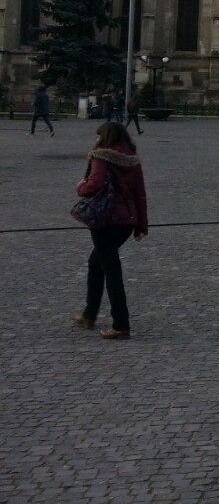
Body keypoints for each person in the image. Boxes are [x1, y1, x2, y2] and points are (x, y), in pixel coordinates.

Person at [73, 122, 148, 340]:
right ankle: (89, 314)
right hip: (126, 223)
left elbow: (94, 185)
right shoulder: (132, 158)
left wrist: (80, 186)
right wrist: (141, 226)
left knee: (111, 270)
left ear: (104, 137)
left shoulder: (102, 156)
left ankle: (121, 324)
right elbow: (140, 194)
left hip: (105, 220)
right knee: (96, 263)